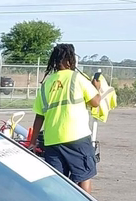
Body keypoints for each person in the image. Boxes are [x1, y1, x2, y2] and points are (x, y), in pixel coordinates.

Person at [27, 43, 103, 192]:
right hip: (77, 137)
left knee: (58, 183)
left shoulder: (46, 83)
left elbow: (39, 116)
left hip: (52, 140)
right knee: (83, 176)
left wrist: (33, 141)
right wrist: (96, 88)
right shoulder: (77, 78)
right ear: (70, 60)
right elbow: (95, 102)